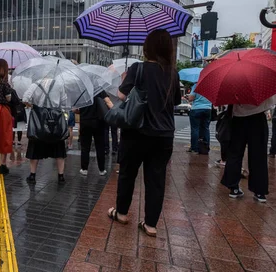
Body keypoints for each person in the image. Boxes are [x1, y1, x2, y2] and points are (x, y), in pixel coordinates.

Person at [107, 29, 181, 237]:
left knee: (128, 173)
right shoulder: (172, 73)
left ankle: (121, 213)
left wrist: (125, 79)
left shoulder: (137, 69)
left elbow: (121, 95)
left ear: (147, 48)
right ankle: (150, 224)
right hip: (164, 134)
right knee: (156, 179)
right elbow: (175, 102)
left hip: (136, 132)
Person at [221, 96, 275, 203]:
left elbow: (227, 103)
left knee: (235, 153)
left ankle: (233, 188)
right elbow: (271, 102)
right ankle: (259, 191)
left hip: (238, 118)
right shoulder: (262, 82)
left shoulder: (234, 82)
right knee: (258, 155)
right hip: (258, 118)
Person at [23, 79, 68, 184]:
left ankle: (32, 175)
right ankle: (61, 176)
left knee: (35, 147)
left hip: (39, 120)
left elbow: (25, 98)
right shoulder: (59, 84)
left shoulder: (35, 84)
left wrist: (33, 105)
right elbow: (64, 102)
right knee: (59, 149)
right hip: (55, 121)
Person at [79, 91, 113, 176]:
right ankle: (101, 169)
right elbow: (108, 102)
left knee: (85, 147)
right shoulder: (100, 90)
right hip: (98, 122)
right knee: (100, 146)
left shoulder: (82, 91)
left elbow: (75, 109)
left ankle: (84, 169)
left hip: (85, 122)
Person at [186, 82, 212, 154]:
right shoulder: (211, 86)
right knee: (206, 128)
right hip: (208, 109)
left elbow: (191, 98)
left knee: (195, 129)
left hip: (196, 109)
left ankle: (194, 148)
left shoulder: (196, 85)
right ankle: (206, 147)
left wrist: (188, 97)